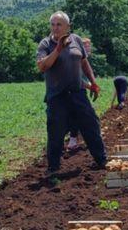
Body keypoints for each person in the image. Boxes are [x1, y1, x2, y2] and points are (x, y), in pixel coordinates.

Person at [36, 11, 107, 175]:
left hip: (78, 93)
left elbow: (84, 62)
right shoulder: (45, 44)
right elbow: (42, 66)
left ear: (68, 26)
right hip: (57, 96)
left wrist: (93, 82)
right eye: (53, 24)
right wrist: (58, 50)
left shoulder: (76, 40)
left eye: (59, 24)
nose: (55, 28)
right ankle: (53, 168)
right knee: (56, 131)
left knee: (91, 125)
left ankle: (102, 160)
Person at [66, 37, 92, 152]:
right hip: (75, 90)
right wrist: (90, 86)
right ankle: (73, 140)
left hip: (81, 89)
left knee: (79, 115)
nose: (88, 48)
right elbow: (77, 78)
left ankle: (76, 139)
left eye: (89, 45)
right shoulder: (77, 59)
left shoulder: (84, 59)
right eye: (85, 46)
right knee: (78, 115)